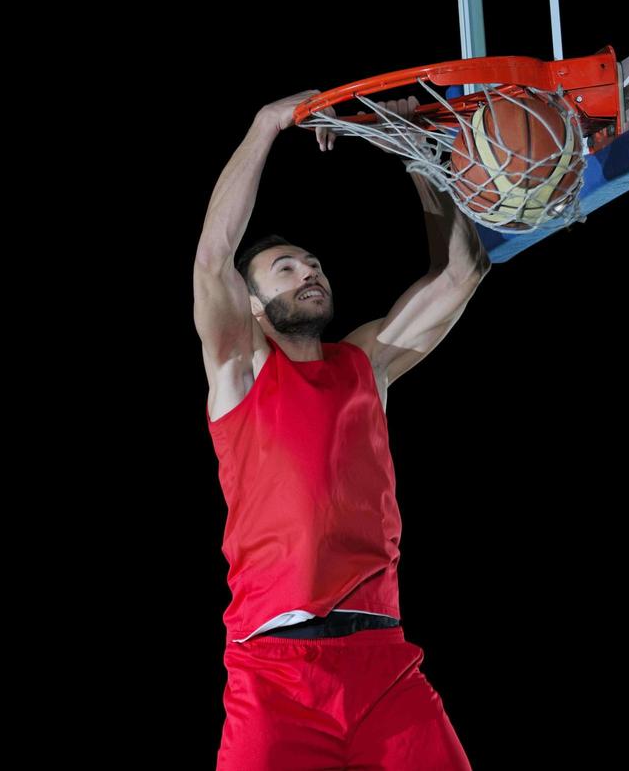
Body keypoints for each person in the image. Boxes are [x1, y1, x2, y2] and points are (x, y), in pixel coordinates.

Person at [193, 89, 491, 769]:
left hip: (383, 668)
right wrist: (266, 122)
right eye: (287, 269)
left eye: (315, 265)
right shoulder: (239, 372)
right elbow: (213, 259)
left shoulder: (366, 364)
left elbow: (463, 271)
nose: (310, 272)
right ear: (255, 307)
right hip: (273, 677)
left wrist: (418, 156)